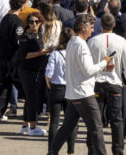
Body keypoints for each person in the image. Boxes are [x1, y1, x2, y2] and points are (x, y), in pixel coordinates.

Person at [48, 14, 114, 155]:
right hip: (83, 94)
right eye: (91, 28)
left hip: (74, 93)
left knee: (66, 127)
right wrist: (104, 62)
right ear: (83, 27)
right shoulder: (80, 44)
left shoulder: (72, 41)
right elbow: (88, 70)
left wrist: (102, 67)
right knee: (97, 128)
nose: (92, 31)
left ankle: (52, 153)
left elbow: (82, 69)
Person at [89, 12, 126, 155]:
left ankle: (95, 150)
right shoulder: (121, 41)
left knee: (96, 120)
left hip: (97, 82)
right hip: (115, 82)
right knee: (117, 120)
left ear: (100, 24)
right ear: (114, 24)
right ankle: (118, 151)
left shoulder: (92, 41)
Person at [45, 28, 77, 155]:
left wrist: (49, 84)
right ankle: (71, 151)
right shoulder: (75, 53)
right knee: (71, 122)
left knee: (54, 122)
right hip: (70, 88)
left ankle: (52, 150)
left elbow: (49, 73)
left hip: (56, 87)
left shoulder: (55, 53)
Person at [18, 10, 48, 136]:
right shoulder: (25, 36)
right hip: (27, 70)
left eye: (37, 21)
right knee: (31, 98)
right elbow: (24, 55)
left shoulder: (40, 35)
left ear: (40, 22)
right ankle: (32, 126)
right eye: (31, 22)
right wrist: (41, 53)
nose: (34, 24)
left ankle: (25, 125)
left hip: (37, 70)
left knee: (30, 98)